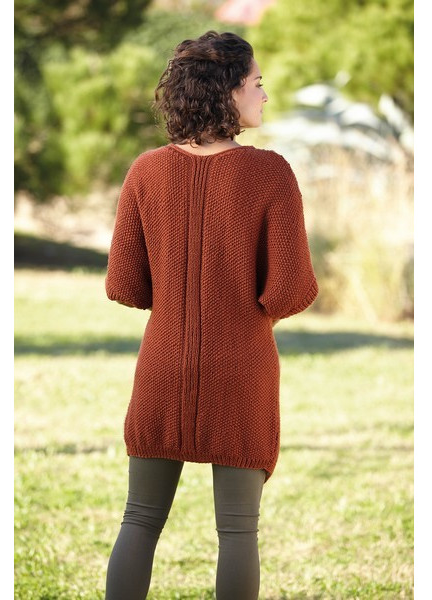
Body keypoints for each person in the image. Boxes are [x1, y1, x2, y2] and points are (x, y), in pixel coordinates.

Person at [103, 30, 318, 599]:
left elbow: (125, 284)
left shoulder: (146, 171)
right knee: (238, 531)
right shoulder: (270, 173)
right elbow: (290, 291)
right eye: (257, 83)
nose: (264, 95)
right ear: (228, 90)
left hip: (163, 365)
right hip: (242, 368)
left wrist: (180, 295)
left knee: (139, 520)